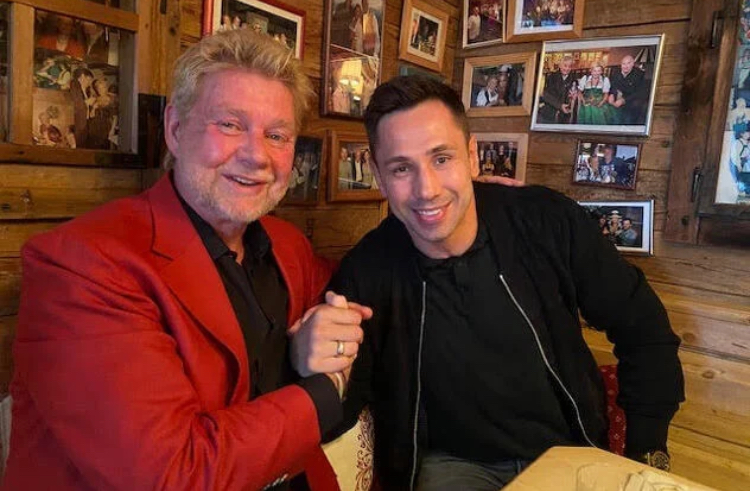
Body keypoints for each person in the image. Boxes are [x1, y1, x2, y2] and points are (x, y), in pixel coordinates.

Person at [4, 29, 369, 491]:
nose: (256, 155)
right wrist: (324, 390)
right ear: (175, 129)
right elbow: (173, 475)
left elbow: (361, 287)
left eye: (277, 135)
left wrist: (469, 208)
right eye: (230, 125)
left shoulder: (285, 244)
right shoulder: (83, 264)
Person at [292, 76, 684, 490]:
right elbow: (342, 409)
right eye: (401, 168)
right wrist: (311, 369)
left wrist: (647, 453)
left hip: (566, 450)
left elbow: (645, 329)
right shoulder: (367, 272)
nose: (427, 190)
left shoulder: (547, 221)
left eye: (442, 158)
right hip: (453, 465)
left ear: (472, 157)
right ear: (377, 174)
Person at [608, 54, 649, 125]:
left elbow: (640, 93)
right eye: (623, 64)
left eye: (628, 63)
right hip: (617, 97)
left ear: (633, 64)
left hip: (631, 99)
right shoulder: (616, 72)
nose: (625, 66)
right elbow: (613, 85)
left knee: (628, 118)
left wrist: (624, 100)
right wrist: (611, 94)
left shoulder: (639, 74)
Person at [538, 55, 578, 124]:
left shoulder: (574, 78)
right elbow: (546, 96)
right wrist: (560, 106)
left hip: (566, 115)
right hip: (550, 114)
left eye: (570, 66)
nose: (567, 68)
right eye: (565, 65)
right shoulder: (551, 77)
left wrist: (575, 96)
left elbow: (575, 94)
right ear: (560, 65)